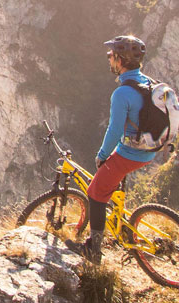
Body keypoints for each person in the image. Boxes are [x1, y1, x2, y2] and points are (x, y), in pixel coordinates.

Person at [68, 34, 159, 262]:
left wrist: (101, 156)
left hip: (131, 154)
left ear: (120, 60)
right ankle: (117, 220)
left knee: (95, 193)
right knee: (110, 181)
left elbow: (115, 129)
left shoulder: (122, 93)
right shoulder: (149, 83)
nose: (108, 59)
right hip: (151, 150)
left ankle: (93, 250)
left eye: (111, 55)